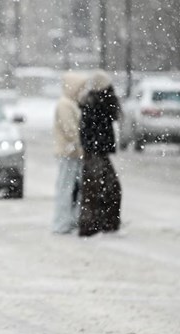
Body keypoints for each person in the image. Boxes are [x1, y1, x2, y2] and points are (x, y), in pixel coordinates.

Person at [78, 69, 122, 237]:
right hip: (96, 152)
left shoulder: (96, 102)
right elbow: (93, 129)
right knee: (97, 189)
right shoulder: (98, 103)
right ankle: (96, 225)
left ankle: (97, 224)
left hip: (96, 151)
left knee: (98, 189)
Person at [52, 71, 88, 235]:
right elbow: (70, 130)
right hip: (70, 153)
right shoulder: (65, 104)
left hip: (73, 152)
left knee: (72, 188)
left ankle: (69, 221)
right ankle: (62, 223)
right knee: (66, 189)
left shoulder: (70, 103)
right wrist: (80, 144)